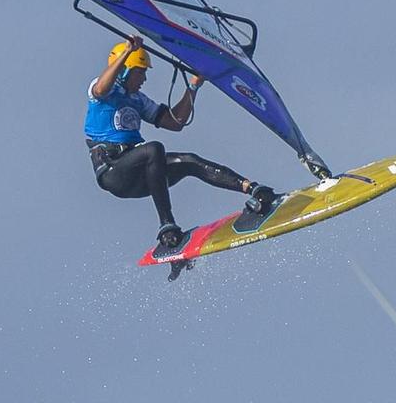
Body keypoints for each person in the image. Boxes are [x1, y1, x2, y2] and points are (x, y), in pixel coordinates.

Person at [84, 35, 279, 250]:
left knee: (189, 161)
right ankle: (167, 226)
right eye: (141, 72)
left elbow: (175, 122)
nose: (144, 80)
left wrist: (194, 85)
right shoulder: (102, 90)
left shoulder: (139, 100)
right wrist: (128, 51)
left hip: (140, 173)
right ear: (125, 71)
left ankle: (253, 190)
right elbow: (101, 88)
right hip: (114, 171)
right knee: (153, 149)